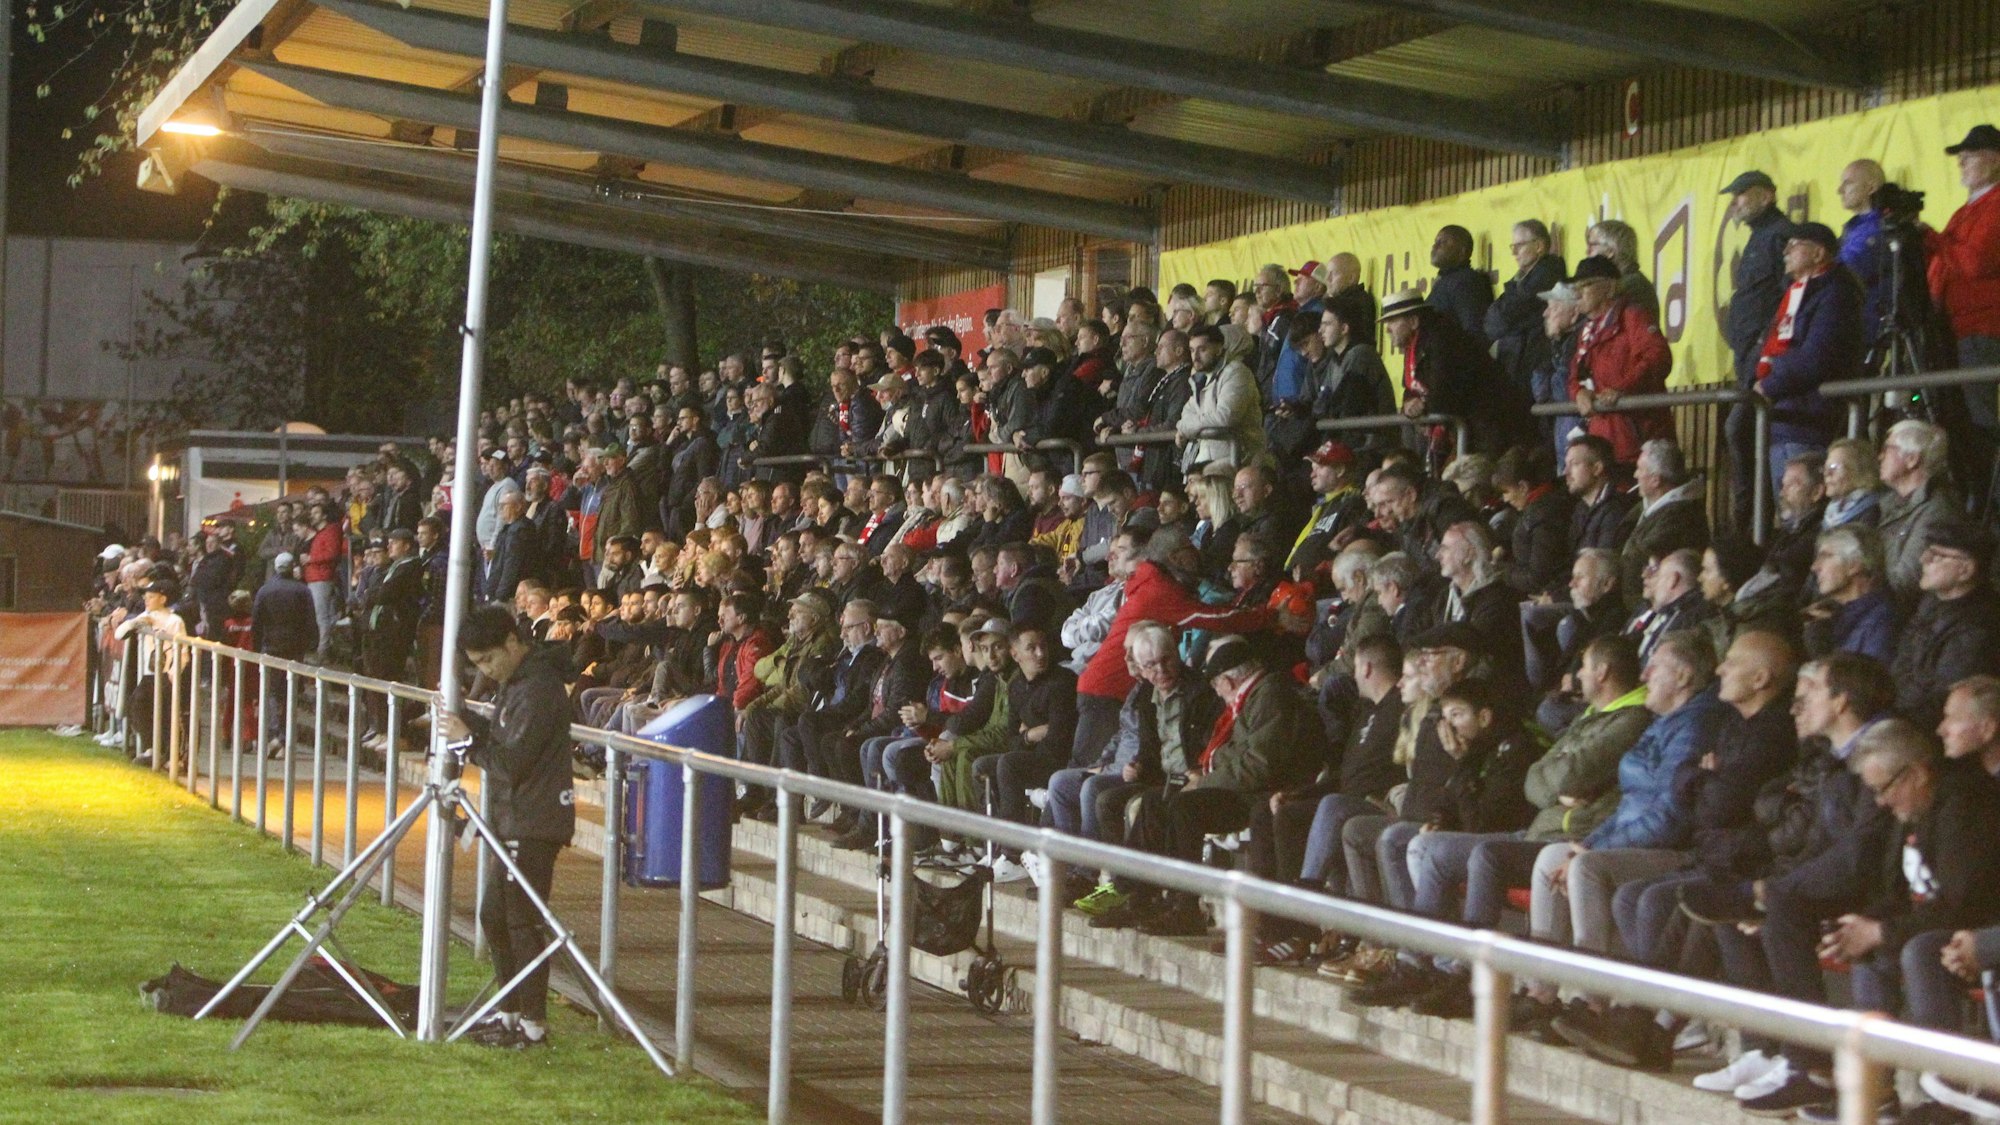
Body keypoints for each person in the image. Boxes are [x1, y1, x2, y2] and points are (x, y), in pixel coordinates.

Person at [440, 605, 576, 1050]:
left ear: (513, 643)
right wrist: (467, 719)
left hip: (534, 820)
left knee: (521, 922)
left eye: (488, 660)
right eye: (477, 664)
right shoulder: (518, 683)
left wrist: (466, 740)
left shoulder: (538, 688)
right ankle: (510, 1014)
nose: (486, 670)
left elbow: (512, 761)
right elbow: (503, 738)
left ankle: (533, 1025)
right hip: (514, 817)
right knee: (494, 917)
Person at [1928, 124, 2000, 512]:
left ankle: (1992, 505)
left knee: (1981, 417)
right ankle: (1980, 498)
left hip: (1984, 328)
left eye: (1969, 156)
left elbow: (1975, 263)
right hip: (1958, 329)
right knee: (1965, 418)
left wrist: (1932, 238)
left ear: (1995, 160)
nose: (1961, 163)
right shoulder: (1966, 211)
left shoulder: (1995, 205)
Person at [1720, 169, 1796, 534]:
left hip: (1762, 357)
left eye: (1741, 194)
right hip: (1749, 355)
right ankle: (1753, 522)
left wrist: (1762, 353)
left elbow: (1786, 300)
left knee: (1741, 430)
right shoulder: (1760, 237)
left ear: (1767, 196)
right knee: (1745, 433)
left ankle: (1752, 524)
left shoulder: (1779, 235)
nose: (1735, 203)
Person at [1569, 257, 1673, 471]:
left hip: (1639, 439)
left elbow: (1658, 357)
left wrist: (1622, 389)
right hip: (1603, 440)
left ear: (1609, 287)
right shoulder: (1587, 330)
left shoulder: (1633, 316)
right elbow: (1574, 375)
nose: (1578, 294)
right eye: (1575, 288)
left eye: (1585, 285)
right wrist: (1578, 392)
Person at [1428, 225, 1493, 337]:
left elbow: (1475, 332)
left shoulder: (1466, 282)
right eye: (1435, 242)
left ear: (1462, 251)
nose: (1435, 246)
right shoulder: (1446, 281)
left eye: (1443, 242)